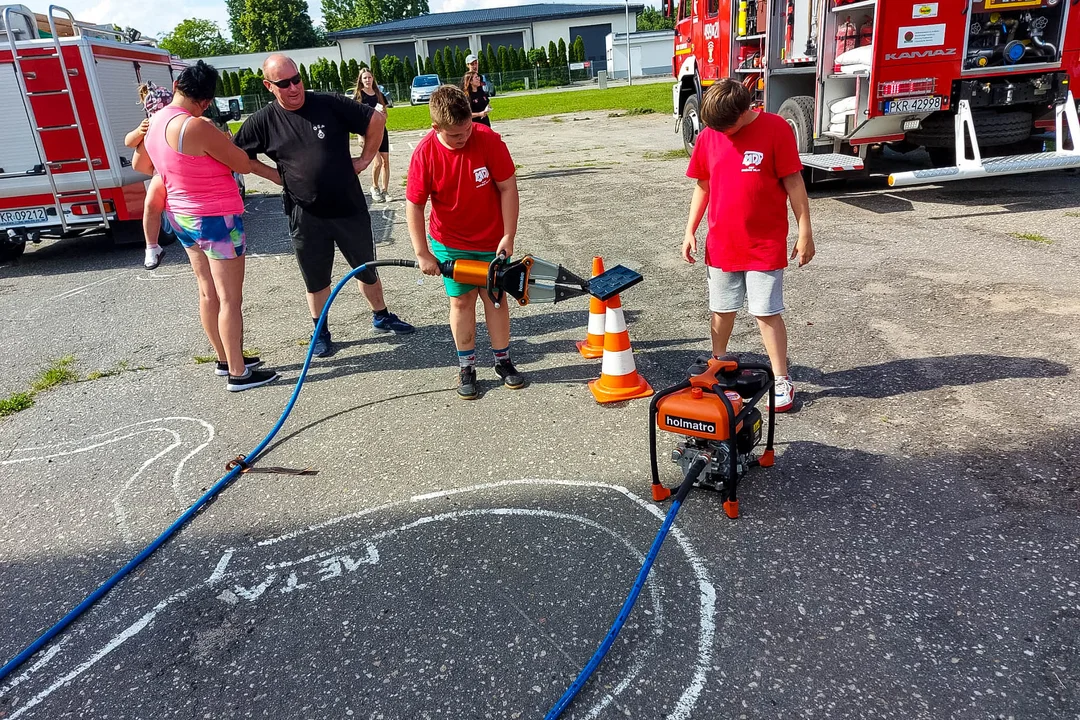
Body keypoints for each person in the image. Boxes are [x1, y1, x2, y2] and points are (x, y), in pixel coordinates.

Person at [234, 54, 415, 358]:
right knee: (316, 279)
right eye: (284, 83)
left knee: (366, 268)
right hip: (305, 214)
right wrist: (276, 176)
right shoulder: (263, 121)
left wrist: (366, 159)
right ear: (268, 85)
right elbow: (239, 156)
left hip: (348, 206)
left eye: (297, 79)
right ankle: (321, 332)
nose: (294, 87)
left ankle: (381, 315)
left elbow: (376, 120)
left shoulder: (328, 103)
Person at [136, 61, 278, 392]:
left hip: (182, 217)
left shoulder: (156, 121)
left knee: (207, 291)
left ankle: (226, 359)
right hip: (216, 220)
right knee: (230, 299)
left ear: (176, 86)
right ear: (207, 100)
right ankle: (239, 374)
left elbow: (142, 165)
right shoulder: (195, 126)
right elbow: (242, 162)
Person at [680, 78, 814, 413]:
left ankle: (781, 379)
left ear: (745, 110)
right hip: (722, 243)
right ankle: (718, 363)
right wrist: (689, 229)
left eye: (729, 127)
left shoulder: (776, 128)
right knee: (721, 310)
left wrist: (805, 230)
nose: (722, 133)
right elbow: (703, 185)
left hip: (764, 244)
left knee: (765, 312)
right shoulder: (711, 134)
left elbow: (794, 183)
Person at [406, 85, 523, 400]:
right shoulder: (425, 154)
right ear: (436, 128)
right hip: (450, 242)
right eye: (456, 136)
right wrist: (423, 252)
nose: (465, 138)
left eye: (468, 129)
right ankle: (467, 366)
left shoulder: (488, 140)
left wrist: (508, 235)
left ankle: (503, 360)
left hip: (491, 241)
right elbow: (415, 205)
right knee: (461, 302)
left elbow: (508, 188)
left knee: (496, 297)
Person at [124, 81, 173, 270]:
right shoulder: (149, 125)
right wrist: (139, 131)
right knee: (151, 204)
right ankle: (152, 247)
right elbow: (128, 141)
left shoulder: (177, 120)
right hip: (160, 172)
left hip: (174, 172)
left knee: (153, 205)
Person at [353, 68, 392, 203]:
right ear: (361, 80)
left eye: (369, 77)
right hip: (368, 134)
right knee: (378, 162)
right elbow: (355, 118)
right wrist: (360, 135)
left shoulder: (379, 94)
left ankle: (385, 190)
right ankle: (374, 187)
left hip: (381, 131)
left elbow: (386, 114)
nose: (368, 80)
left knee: (386, 161)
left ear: (373, 79)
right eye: (365, 78)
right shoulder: (359, 96)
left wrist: (382, 116)